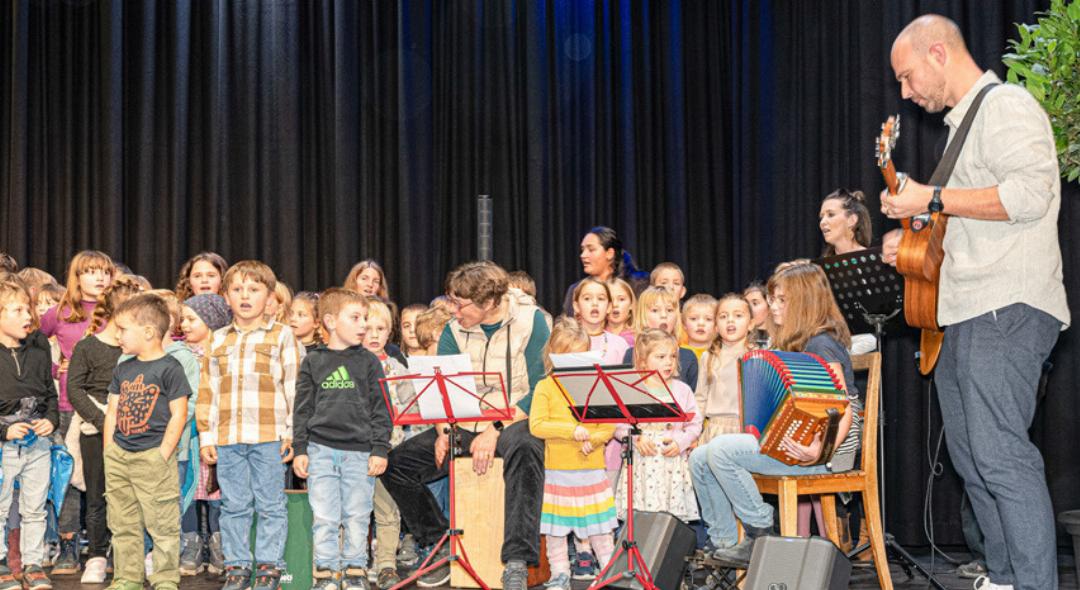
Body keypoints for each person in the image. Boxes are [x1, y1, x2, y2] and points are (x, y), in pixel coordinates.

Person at [880, 15, 1069, 590]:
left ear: (938, 52)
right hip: (963, 313)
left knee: (1000, 456)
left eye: (908, 77)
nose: (906, 92)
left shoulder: (1006, 105)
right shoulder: (963, 128)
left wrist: (933, 195)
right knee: (972, 460)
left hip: (1007, 305)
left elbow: (1029, 195)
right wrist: (913, 231)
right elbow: (960, 217)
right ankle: (1007, 577)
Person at [380, 261, 548, 590]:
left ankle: (516, 559)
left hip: (513, 418)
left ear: (488, 303)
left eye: (460, 303)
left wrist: (494, 429)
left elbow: (539, 388)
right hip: (465, 419)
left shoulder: (532, 321)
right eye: (452, 300)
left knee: (527, 447)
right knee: (395, 465)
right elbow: (440, 383)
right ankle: (441, 541)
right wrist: (444, 430)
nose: (453, 310)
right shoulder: (454, 330)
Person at [690, 261, 862, 565]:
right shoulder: (799, 343)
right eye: (772, 299)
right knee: (700, 458)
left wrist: (818, 449)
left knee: (720, 450)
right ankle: (724, 545)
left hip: (825, 455)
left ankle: (759, 532)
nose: (773, 306)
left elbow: (842, 408)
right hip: (798, 445)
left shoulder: (822, 344)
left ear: (803, 302)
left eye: (781, 300)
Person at [199, 261, 306, 590]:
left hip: (269, 436)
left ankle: (269, 567)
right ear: (226, 296)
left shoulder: (282, 336)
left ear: (269, 297)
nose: (245, 296)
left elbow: (293, 389)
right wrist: (207, 435)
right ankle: (237, 565)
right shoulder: (216, 340)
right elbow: (209, 392)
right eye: (237, 290)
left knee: (271, 503)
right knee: (234, 505)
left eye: (254, 289)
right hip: (229, 437)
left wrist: (291, 433)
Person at [293, 288, 391, 590]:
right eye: (356, 318)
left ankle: (355, 570)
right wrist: (300, 448)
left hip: (360, 452)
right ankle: (326, 574)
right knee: (324, 516)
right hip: (320, 449)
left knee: (358, 515)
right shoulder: (313, 362)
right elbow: (302, 409)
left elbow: (381, 409)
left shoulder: (369, 362)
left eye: (365, 318)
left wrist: (380, 449)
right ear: (331, 321)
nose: (363, 325)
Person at [104, 294, 193, 590]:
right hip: (120, 456)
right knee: (123, 522)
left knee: (163, 523)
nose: (118, 336)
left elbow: (179, 414)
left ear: (148, 332)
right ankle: (127, 577)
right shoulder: (123, 367)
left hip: (153, 457)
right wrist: (109, 451)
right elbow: (113, 411)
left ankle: (165, 577)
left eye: (123, 329)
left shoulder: (170, 368)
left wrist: (163, 453)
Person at [39, 250, 115, 575]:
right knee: (68, 478)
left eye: (105, 272)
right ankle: (69, 545)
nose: (100, 278)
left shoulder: (116, 312)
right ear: (77, 276)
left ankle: (107, 544)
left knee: (107, 480)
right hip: (69, 408)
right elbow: (31, 344)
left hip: (107, 408)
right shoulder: (59, 313)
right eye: (91, 271)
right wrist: (57, 368)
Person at [529, 318, 617, 590]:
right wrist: (572, 430)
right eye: (568, 356)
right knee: (556, 531)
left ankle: (609, 573)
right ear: (554, 356)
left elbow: (608, 424)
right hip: (559, 472)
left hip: (591, 471)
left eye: (581, 355)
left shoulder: (595, 385)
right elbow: (537, 425)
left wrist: (595, 438)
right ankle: (560, 575)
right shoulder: (546, 387)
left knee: (600, 528)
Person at [66, 276, 143, 583]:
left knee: (131, 496)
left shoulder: (139, 351)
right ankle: (97, 554)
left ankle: (128, 554)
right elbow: (75, 388)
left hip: (134, 430)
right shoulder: (88, 346)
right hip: (96, 430)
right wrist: (102, 423)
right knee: (98, 495)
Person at [0, 276, 59, 590]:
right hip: (4, 443)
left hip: (37, 441)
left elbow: (50, 393)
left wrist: (51, 420)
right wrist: (3, 431)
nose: (28, 316)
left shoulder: (38, 347)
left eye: (29, 309)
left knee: (35, 506)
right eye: (17, 310)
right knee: (0, 505)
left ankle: (34, 563)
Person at [614, 330, 702, 523]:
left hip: (671, 465)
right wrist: (635, 437)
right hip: (642, 464)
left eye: (672, 356)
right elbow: (618, 425)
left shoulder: (682, 390)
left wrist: (680, 442)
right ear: (644, 360)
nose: (669, 362)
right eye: (661, 357)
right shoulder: (632, 389)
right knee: (641, 518)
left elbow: (695, 423)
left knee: (670, 520)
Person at [562, 227, 648, 317]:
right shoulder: (576, 289)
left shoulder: (637, 285)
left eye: (591, 250)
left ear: (609, 253)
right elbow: (566, 323)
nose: (583, 255)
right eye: (583, 250)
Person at [570, 278, 630, 366]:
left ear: (609, 307)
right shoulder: (567, 341)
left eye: (601, 299)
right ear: (576, 306)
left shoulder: (619, 344)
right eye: (587, 299)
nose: (595, 303)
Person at [819, 189, 872, 257]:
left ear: (852, 220)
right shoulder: (822, 265)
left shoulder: (870, 259)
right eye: (821, 217)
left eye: (831, 215)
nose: (822, 222)